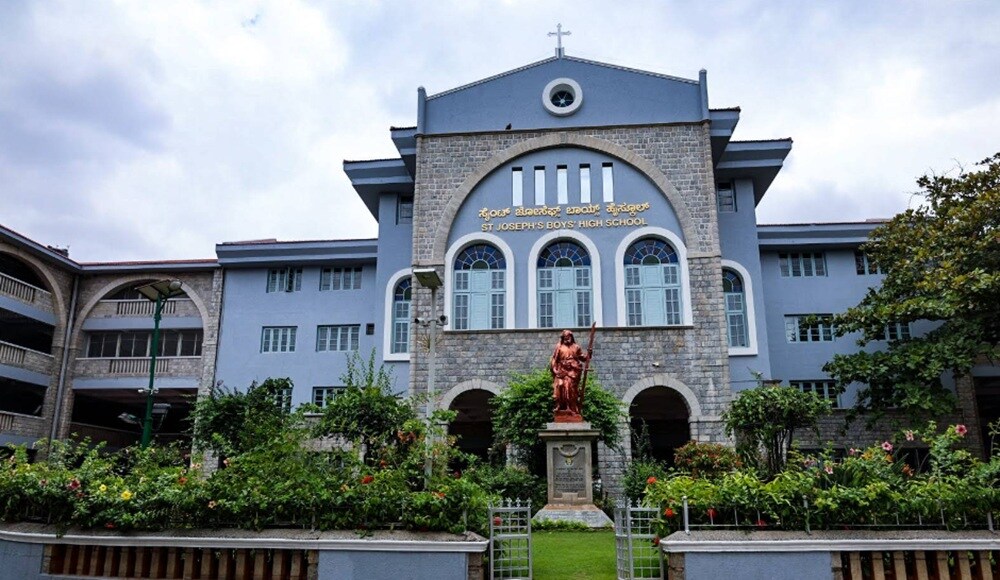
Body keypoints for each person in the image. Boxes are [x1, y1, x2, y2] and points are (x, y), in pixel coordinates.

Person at [550, 329, 591, 419]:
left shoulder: (576, 347)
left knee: (570, 388)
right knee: (560, 386)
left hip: (573, 371)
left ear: (571, 337)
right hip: (562, 371)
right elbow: (554, 359)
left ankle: (572, 408)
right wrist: (554, 368)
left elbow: (583, 358)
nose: (566, 339)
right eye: (565, 337)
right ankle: (561, 407)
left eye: (568, 337)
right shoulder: (559, 347)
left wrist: (589, 354)